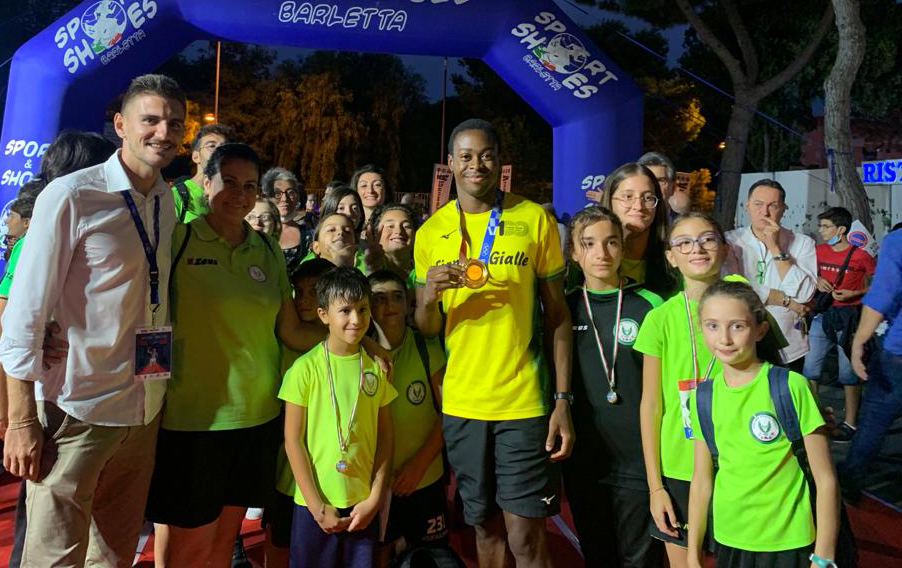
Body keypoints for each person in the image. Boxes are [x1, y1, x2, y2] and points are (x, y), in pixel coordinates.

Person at [146, 143, 388, 566]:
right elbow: (150, 319)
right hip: (194, 418)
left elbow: (291, 331)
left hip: (257, 417)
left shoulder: (266, 250)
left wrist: (361, 341)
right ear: (206, 184)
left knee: (224, 543)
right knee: (189, 549)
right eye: (229, 182)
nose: (240, 194)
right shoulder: (179, 240)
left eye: (249, 186)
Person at [0, 73, 185, 566]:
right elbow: (23, 316)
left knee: (114, 555)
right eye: (150, 120)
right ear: (120, 125)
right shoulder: (72, 196)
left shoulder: (165, 199)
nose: (163, 133)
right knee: (54, 557)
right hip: (77, 407)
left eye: (174, 123)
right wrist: (21, 420)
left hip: (143, 407)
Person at [414, 118, 573, 568]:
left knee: (525, 537)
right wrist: (429, 294)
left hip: (523, 402)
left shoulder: (534, 219)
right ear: (450, 163)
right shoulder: (430, 233)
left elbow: (558, 317)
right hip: (463, 404)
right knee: (484, 530)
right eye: (466, 156)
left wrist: (563, 400)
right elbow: (427, 326)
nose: (476, 165)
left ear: (500, 162)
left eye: (486, 156)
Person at [2, 130, 116, 568]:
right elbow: (10, 316)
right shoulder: (37, 238)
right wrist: (15, 417)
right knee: (39, 526)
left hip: (88, 396)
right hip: (48, 398)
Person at [687, 280, 839, 568]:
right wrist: (693, 554)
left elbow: (826, 479)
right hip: (730, 539)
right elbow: (702, 481)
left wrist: (823, 557)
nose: (725, 339)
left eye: (738, 326)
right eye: (712, 326)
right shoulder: (702, 398)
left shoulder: (791, 386)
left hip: (790, 541)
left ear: (760, 330)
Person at [562, 206, 664, 567]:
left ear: (622, 248)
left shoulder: (650, 305)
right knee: (597, 554)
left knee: (640, 559)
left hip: (639, 457)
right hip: (585, 457)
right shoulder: (563, 308)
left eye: (611, 242)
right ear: (574, 253)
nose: (601, 253)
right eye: (588, 244)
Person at [280, 266, 397, 568]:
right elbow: (293, 440)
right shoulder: (304, 370)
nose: (356, 320)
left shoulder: (375, 369)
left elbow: (386, 437)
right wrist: (318, 507)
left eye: (363, 310)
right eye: (345, 311)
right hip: (314, 506)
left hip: (363, 506)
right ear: (323, 315)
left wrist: (375, 498)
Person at [634, 213, 732, 568]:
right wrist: (656, 487)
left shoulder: (746, 307)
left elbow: (774, 374)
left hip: (740, 461)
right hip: (679, 466)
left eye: (707, 239)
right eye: (684, 243)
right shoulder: (659, 319)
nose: (697, 249)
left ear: (724, 248)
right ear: (671, 257)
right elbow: (651, 406)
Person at [368, 269, 449, 563]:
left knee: (430, 557)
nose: (389, 304)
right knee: (379, 556)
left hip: (424, 478)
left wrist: (419, 465)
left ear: (408, 304)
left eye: (397, 297)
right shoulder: (357, 355)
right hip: (375, 484)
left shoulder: (426, 348)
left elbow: (448, 413)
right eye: (379, 298)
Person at [265, 257, 334, 568]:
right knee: (280, 536)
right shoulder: (284, 340)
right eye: (299, 291)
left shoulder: (341, 341)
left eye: (314, 291)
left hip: (331, 468)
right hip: (286, 469)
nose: (304, 299)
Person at [724, 179, 817, 373]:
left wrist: (776, 248)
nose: (764, 212)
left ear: (783, 209)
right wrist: (784, 300)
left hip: (788, 345)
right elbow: (732, 289)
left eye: (772, 206)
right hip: (739, 341)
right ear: (747, 206)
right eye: (758, 204)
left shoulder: (802, 243)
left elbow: (804, 295)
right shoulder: (731, 241)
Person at [804, 207, 875, 442]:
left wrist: (856, 292)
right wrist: (818, 279)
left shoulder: (861, 256)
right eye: (821, 226)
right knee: (810, 369)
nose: (821, 231)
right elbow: (806, 273)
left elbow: (877, 283)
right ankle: (815, 420)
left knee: (848, 372)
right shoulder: (819, 251)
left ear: (841, 229)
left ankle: (851, 423)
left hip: (849, 317)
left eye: (826, 226)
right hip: (822, 315)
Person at [842, 228, 902, 498]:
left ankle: (850, 484)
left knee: (874, 420)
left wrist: (859, 341)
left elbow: (882, 296)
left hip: (897, 354)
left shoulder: (897, 242)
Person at [599, 162, 676, 297]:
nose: (639, 206)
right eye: (628, 197)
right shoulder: (591, 258)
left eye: (648, 198)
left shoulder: (672, 259)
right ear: (609, 201)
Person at [172, 123, 232, 223]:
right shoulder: (176, 195)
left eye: (224, 147)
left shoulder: (230, 196)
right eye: (212, 146)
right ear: (196, 157)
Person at [262, 167, 311, 275]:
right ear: (267, 197)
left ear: (297, 198)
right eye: (277, 194)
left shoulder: (309, 235)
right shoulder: (255, 231)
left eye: (291, 193)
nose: (284, 199)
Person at [371, 204, 416, 285]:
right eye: (390, 226)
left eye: (406, 226)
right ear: (376, 233)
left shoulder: (425, 270)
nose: (398, 231)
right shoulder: (361, 267)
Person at [637, 151, 678, 218]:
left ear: (673, 188)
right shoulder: (627, 222)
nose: (653, 186)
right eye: (647, 180)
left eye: (660, 181)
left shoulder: (683, 224)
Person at [352, 164, 393, 229]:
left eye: (377, 185)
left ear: (386, 190)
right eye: (364, 185)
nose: (370, 191)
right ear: (356, 191)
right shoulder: (349, 223)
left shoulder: (395, 221)